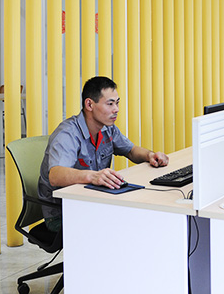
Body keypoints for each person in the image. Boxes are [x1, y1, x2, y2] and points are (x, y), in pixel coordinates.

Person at [38, 76, 169, 231]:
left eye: (117, 103)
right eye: (110, 104)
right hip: (62, 211)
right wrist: (92, 176)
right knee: (126, 225)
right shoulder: (67, 134)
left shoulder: (107, 128)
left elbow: (131, 150)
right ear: (89, 104)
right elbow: (55, 175)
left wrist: (150, 155)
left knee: (142, 216)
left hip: (93, 202)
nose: (116, 109)